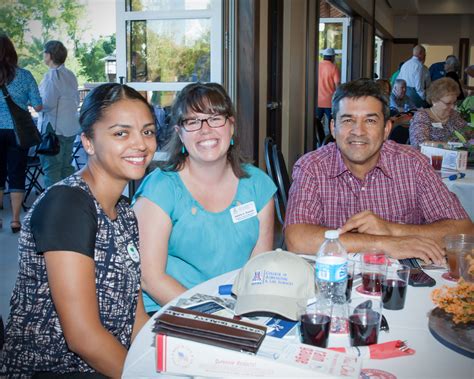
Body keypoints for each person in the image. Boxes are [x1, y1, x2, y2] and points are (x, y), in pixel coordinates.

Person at [0, 83, 155, 377]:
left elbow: (134, 317)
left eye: (147, 131)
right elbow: (83, 338)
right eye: (121, 133)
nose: (141, 144)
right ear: (88, 142)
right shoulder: (68, 205)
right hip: (56, 370)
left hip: (107, 361)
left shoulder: (123, 210)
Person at [284, 79, 473, 264]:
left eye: (370, 121)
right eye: (348, 120)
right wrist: (384, 243)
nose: (358, 131)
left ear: (386, 129)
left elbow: (464, 232)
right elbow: (297, 238)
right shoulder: (312, 167)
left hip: (406, 287)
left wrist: (390, 229)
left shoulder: (413, 164)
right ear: (333, 128)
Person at [133, 82, 276, 314]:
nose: (205, 130)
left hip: (236, 310)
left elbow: (257, 272)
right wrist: (210, 315)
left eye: (215, 118)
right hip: (170, 310)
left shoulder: (258, 186)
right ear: (180, 133)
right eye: (192, 121)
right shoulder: (161, 189)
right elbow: (150, 278)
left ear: (231, 126)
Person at [0, 34, 42, 234]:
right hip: (18, 133)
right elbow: (38, 105)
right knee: (17, 175)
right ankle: (16, 220)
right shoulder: (24, 75)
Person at [38, 40, 81, 188]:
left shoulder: (51, 77)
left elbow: (47, 103)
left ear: (49, 55)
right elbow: (75, 99)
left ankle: (52, 206)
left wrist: (33, 103)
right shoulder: (70, 75)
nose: (43, 55)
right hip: (71, 127)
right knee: (66, 167)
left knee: (52, 169)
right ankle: (66, 201)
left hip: (54, 129)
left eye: (44, 53)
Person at [410, 77, 468, 147]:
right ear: (434, 100)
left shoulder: (454, 115)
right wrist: (448, 147)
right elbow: (419, 143)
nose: (453, 107)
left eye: (454, 102)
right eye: (448, 103)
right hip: (429, 157)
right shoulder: (422, 116)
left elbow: (468, 135)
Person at [317, 47, 340, 125]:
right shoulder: (334, 67)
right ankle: (330, 137)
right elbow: (337, 85)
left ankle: (318, 137)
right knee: (332, 124)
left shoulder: (317, 66)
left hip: (317, 101)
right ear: (332, 57)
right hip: (329, 102)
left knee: (316, 124)